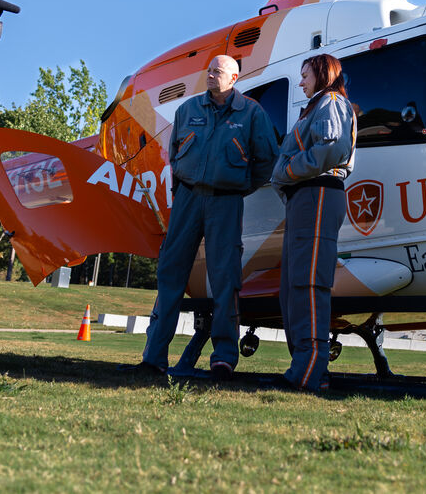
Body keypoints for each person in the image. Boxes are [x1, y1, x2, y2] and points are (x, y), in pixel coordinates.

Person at [130, 55, 279, 380]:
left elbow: (267, 161)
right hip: (186, 199)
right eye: (209, 70)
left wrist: (239, 187)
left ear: (235, 77)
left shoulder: (252, 113)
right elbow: (175, 153)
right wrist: (181, 193)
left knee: (225, 278)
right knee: (170, 274)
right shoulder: (188, 110)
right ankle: (153, 357)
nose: (210, 75)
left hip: (226, 202)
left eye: (218, 71)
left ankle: (224, 357)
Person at [271, 54, 356, 391]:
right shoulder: (315, 106)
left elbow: (332, 148)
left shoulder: (331, 102)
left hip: (319, 194)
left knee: (308, 284)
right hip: (304, 198)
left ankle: (309, 371)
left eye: (305, 75)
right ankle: (302, 367)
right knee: (292, 287)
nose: (301, 81)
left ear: (322, 75)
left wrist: (288, 172)